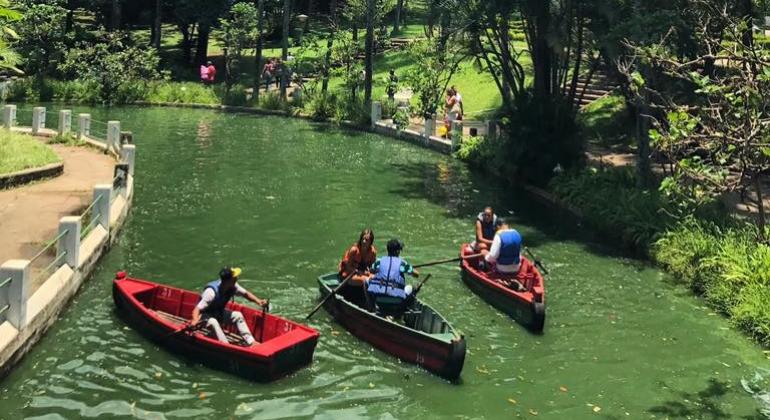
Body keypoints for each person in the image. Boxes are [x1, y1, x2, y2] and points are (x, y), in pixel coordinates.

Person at [190, 267, 268, 346]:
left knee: (238, 315)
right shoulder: (211, 292)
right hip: (205, 316)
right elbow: (197, 309)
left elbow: (246, 294)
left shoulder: (233, 286)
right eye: (235, 277)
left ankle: (251, 342)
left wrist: (258, 301)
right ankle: (225, 345)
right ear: (229, 280)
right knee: (213, 322)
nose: (236, 278)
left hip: (218, 313)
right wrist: (194, 321)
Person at [365, 238, 419, 314]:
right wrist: (410, 269)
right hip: (397, 300)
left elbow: (371, 270)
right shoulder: (402, 263)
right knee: (412, 287)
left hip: (379, 298)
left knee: (366, 281)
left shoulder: (379, 261)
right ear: (397, 251)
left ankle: (371, 308)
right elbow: (417, 274)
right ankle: (402, 312)